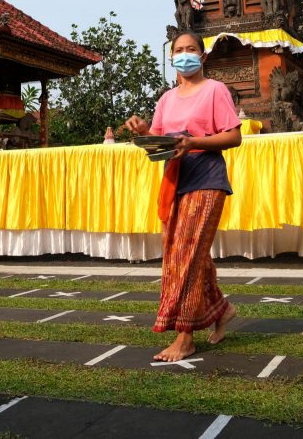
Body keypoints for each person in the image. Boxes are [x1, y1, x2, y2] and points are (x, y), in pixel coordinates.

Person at [123, 31, 242, 361]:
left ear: (202, 58)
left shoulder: (215, 90)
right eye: (179, 50)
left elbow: (234, 137)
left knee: (187, 257)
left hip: (206, 178)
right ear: (171, 57)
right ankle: (221, 309)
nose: (184, 54)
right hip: (175, 182)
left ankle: (185, 335)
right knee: (187, 253)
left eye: (191, 49)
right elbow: (161, 146)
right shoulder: (166, 100)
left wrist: (194, 143)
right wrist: (144, 132)